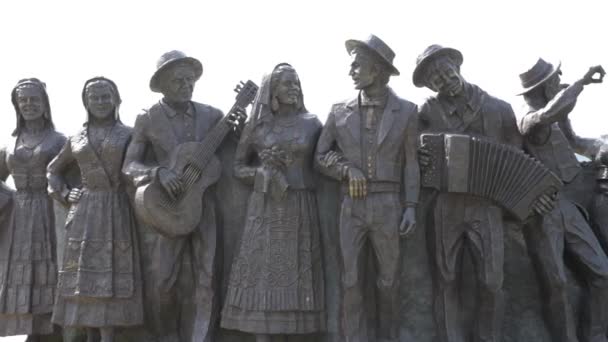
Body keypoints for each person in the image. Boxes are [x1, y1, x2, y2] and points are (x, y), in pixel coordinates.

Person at [122, 50, 245, 342]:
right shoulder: (148, 118)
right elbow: (129, 164)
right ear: (162, 83)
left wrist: (241, 127)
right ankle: (167, 337)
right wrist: (157, 173)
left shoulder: (213, 115)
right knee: (164, 280)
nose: (186, 85)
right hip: (167, 207)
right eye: (178, 80)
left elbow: (241, 149)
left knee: (207, 278)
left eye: (190, 80)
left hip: (204, 205)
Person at [414, 45, 523, 342]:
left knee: (492, 281)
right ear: (428, 85)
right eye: (434, 77)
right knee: (446, 279)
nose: (443, 79)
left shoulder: (498, 108)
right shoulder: (426, 111)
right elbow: (411, 151)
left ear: (457, 66)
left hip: (486, 205)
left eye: (445, 70)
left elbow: (518, 156)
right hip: (445, 204)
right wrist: (420, 154)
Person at [315, 34, 419, 342]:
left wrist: (411, 205)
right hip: (352, 205)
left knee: (389, 281)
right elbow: (319, 157)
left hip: (389, 204)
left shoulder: (408, 111)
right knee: (350, 281)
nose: (351, 71)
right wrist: (346, 170)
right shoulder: (338, 111)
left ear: (377, 70)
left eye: (357, 65)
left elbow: (411, 163)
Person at [221, 63, 325, 342]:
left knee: (296, 276)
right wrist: (261, 173)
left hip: (300, 205)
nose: (294, 89)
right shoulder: (256, 126)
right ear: (272, 91)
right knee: (263, 276)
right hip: (265, 208)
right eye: (286, 84)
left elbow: (325, 158)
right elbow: (238, 167)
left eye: (296, 83)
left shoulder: (313, 123)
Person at [518, 59, 608, 342]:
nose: (561, 80)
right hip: (542, 212)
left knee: (602, 274)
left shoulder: (558, 117)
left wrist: (601, 145)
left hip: (568, 207)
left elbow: (575, 142)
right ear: (544, 86)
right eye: (556, 77)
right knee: (556, 285)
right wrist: (582, 82)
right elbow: (549, 114)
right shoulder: (530, 118)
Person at [47, 77, 143, 342]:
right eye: (94, 97)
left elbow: (139, 165)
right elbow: (53, 170)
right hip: (85, 211)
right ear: (86, 102)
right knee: (83, 276)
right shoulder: (76, 137)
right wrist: (65, 192)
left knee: (111, 272)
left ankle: (109, 336)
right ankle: (89, 334)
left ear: (116, 100)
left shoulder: (129, 134)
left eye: (105, 96)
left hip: (116, 207)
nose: (100, 102)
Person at [0, 78, 65, 341]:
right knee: (19, 274)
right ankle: (32, 332)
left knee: (49, 271)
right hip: (18, 218)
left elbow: (71, 177)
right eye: (23, 100)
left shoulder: (60, 140)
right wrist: (8, 199)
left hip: (49, 212)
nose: (28, 104)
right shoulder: (8, 143)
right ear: (16, 105)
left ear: (44, 103)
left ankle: (53, 331)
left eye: (34, 99)